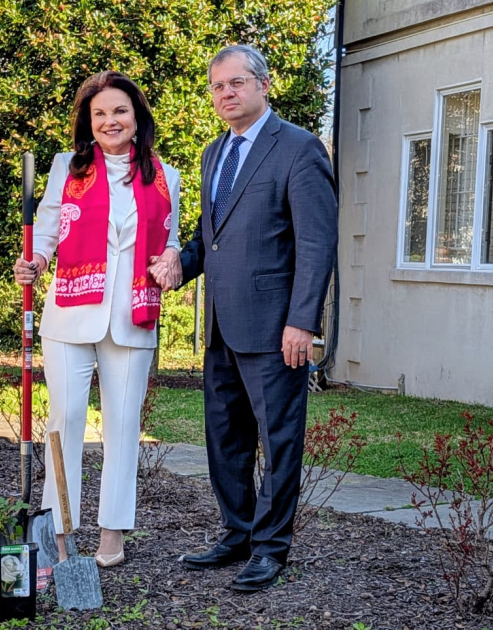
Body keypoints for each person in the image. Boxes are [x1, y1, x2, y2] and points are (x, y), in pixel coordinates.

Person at [149, 45, 338, 591]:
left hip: (276, 330)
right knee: (225, 439)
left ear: (263, 84)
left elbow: (316, 243)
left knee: (279, 443)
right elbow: (212, 236)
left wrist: (303, 322)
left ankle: (270, 548)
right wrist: (179, 264)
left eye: (236, 82)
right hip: (220, 328)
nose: (226, 93)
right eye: (217, 86)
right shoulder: (214, 153)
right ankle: (237, 533)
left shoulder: (299, 149)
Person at [13, 71, 181, 569]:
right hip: (69, 315)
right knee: (64, 422)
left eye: (120, 111)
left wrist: (173, 258)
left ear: (137, 118)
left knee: (123, 426)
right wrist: (34, 261)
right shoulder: (67, 168)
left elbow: (170, 238)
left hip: (132, 317)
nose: (110, 120)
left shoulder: (165, 176)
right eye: (100, 113)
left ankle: (112, 532)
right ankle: (60, 532)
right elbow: (47, 231)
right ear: (89, 122)